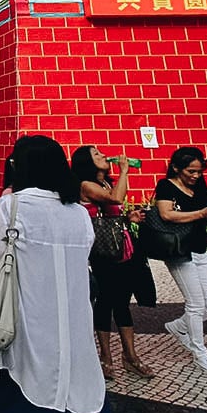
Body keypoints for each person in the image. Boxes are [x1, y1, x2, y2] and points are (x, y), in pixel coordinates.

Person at [0, 135, 112, 413]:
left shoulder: (10, 207)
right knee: (78, 391)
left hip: (30, 320)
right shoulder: (78, 213)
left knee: (29, 395)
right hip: (75, 322)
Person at [70, 146, 154, 380]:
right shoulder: (87, 185)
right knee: (107, 301)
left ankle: (130, 356)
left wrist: (129, 217)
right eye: (96, 155)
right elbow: (116, 198)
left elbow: (111, 211)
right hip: (102, 252)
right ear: (87, 162)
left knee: (122, 302)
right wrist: (125, 170)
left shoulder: (107, 183)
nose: (103, 156)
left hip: (121, 249)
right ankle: (106, 357)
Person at [156, 147, 207, 376]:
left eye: (199, 171)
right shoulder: (166, 186)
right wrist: (201, 213)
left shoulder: (200, 185)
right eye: (191, 171)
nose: (196, 176)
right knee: (196, 304)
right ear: (176, 168)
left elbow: (203, 216)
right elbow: (166, 214)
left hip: (199, 249)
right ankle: (200, 353)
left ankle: (179, 326)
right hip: (178, 251)